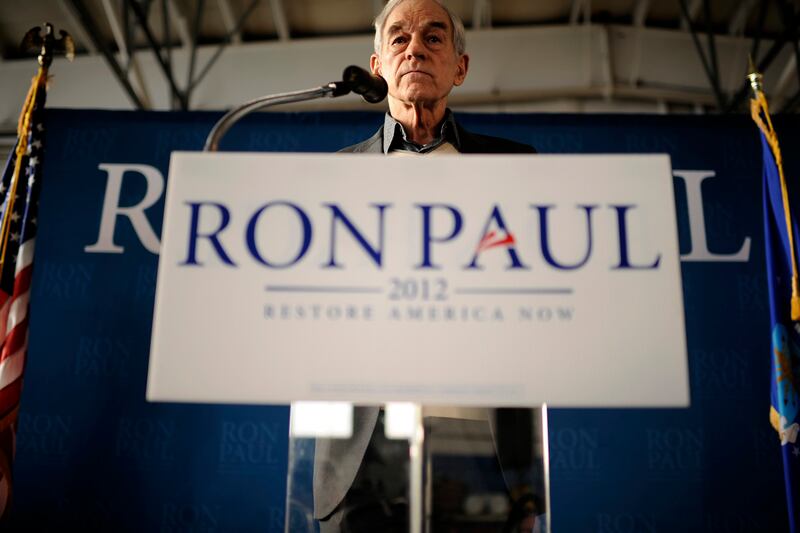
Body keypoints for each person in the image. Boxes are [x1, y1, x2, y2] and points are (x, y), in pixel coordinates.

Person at [314, 1, 540, 531]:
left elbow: (533, 317)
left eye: (433, 38)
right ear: (377, 66)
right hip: (360, 459)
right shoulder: (329, 178)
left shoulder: (517, 169)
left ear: (460, 67)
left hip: (482, 456)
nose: (414, 47)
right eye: (398, 38)